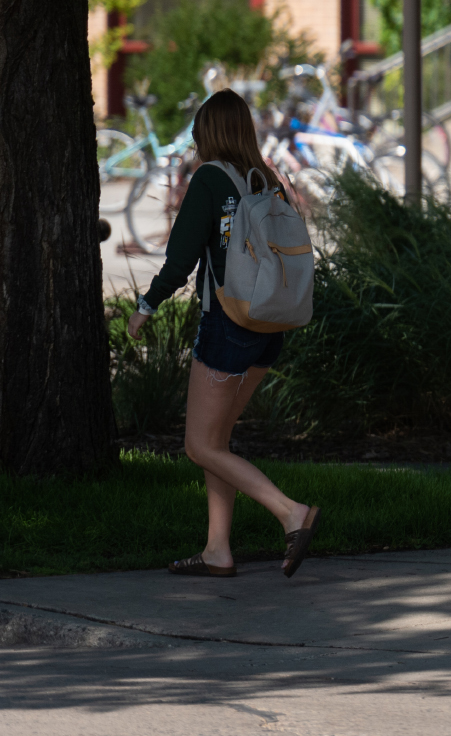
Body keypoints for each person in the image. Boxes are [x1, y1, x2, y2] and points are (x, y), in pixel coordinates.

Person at [125, 90, 321, 580]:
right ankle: (217, 550)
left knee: (199, 446)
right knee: (218, 440)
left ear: (207, 133)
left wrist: (146, 306)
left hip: (228, 325)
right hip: (268, 325)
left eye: (197, 132)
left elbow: (180, 260)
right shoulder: (266, 179)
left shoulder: (209, 179)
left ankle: (290, 512)